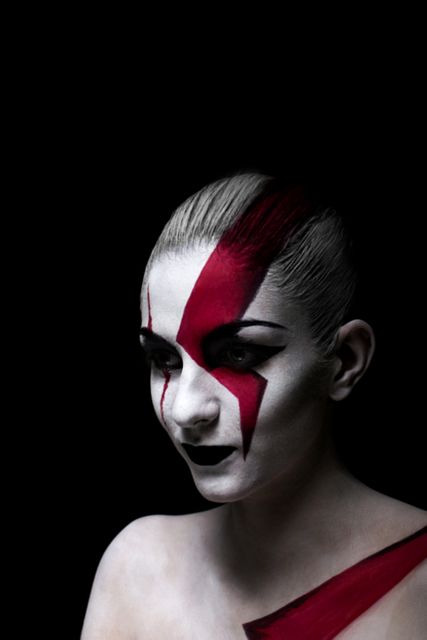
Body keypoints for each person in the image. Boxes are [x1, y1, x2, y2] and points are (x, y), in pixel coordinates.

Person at [81, 172, 427, 639]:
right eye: (163, 360)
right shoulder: (137, 569)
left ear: (345, 361)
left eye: (238, 354)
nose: (185, 410)